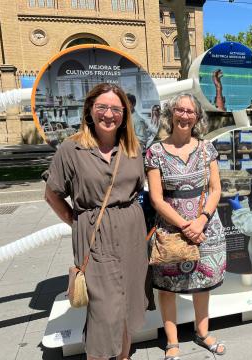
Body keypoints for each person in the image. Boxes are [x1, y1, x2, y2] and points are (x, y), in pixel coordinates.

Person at [44, 83, 150, 360]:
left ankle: (124, 356)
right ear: (89, 110)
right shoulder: (72, 149)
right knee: (103, 309)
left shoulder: (133, 148)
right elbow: (52, 194)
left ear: (125, 114)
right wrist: (77, 223)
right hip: (94, 234)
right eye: (102, 107)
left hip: (131, 235)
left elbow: (139, 188)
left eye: (116, 109)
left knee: (128, 301)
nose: (109, 114)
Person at [145, 93, 226, 359]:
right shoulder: (155, 152)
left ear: (198, 118)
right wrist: (183, 225)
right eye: (180, 110)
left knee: (201, 283)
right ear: (171, 115)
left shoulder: (206, 148)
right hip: (171, 230)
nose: (185, 115)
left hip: (205, 228)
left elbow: (215, 189)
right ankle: (172, 342)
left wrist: (200, 221)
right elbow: (156, 198)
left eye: (191, 112)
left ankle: (203, 333)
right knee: (168, 287)